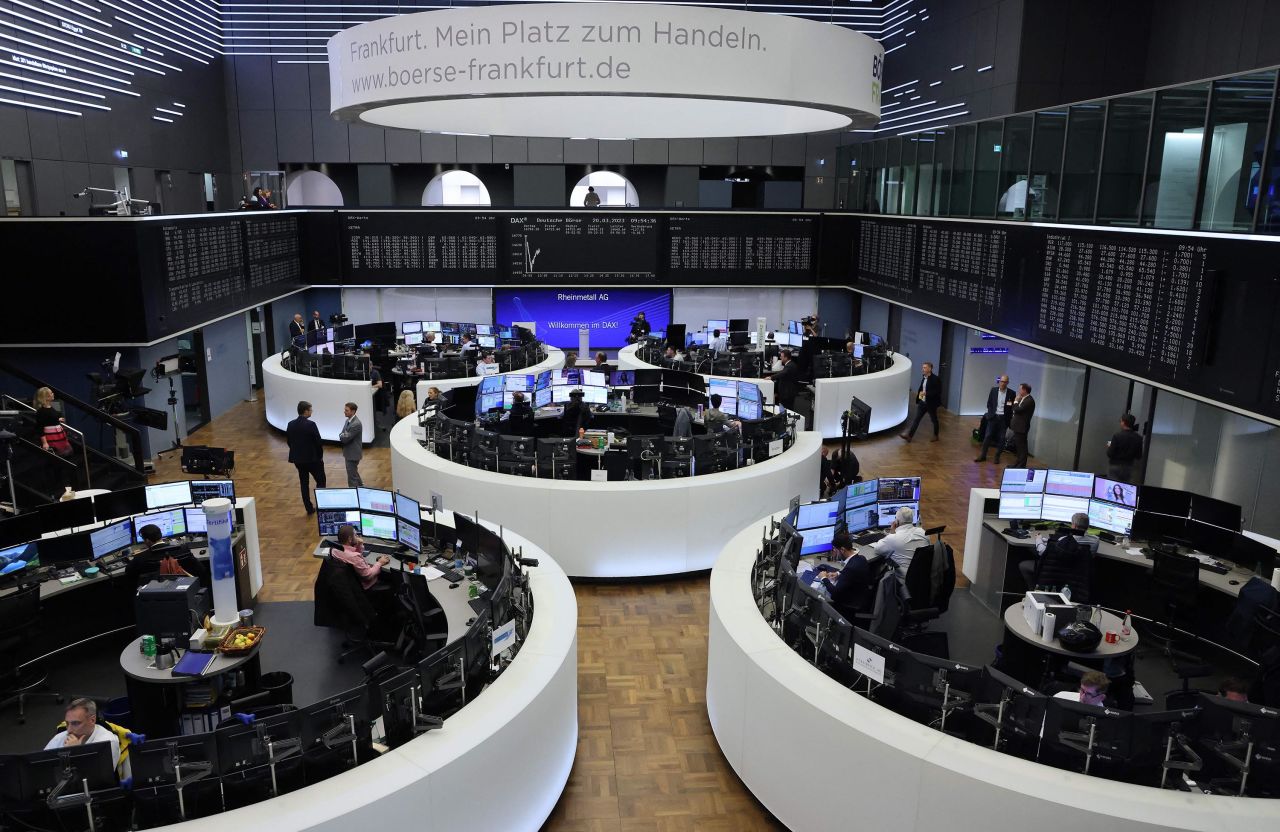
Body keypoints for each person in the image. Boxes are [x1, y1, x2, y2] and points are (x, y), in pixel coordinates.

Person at [1020, 512, 1098, 600]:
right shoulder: (1094, 542)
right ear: (1087, 527)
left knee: (1024, 565)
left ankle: (1034, 593)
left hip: (1054, 576)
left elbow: (1042, 552)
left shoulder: (1062, 540)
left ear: (1074, 526)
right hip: (1077, 581)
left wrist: (1038, 539)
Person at [45, 698, 121, 770]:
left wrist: (76, 753)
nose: (69, 730)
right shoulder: (59, 738)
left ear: (92, 720)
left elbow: (96, 779)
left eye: (75, 723)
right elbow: (42, 767)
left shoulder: (108, 742)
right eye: (67, 723)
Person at [816, 531, 876, 618]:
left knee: (818, 593)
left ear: (842, 550)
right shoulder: (861, 558)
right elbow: (853, 575)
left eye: (835, 550)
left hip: (849, 604)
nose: (834, 553)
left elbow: (835, 593)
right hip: (861, 595)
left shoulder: (850, 569)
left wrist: (824, 578)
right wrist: (838, 573)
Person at [128, 523, 202, 586]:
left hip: (155, 592)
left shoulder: (140, 557)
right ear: (161, 534)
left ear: (147, 540)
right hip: (185, 586)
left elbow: (128, 571)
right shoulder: (183, 549)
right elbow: (201, 569)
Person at [287, 400, 326, 514]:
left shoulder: (290, 424)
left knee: (304, 483)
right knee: (321, 481)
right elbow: (318, 442)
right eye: (310, 410)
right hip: (313, 459)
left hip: (298, 460)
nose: (311, 411)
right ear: (305, 411)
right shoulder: (311, 424)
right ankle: (322, 506)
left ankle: (309, 508)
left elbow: (289, 442)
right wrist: (320, 456)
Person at [331, 524, 390, 591]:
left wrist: (359, 544)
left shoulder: (334, 551)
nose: (358, 537)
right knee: (390, 576)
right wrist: (380, 562)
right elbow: (368, 576)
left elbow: (353, 554)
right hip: (367, 585)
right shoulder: (354, 557)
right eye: (356, 535)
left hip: (348, 584)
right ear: (350, 539)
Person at [871, 506, 929, 570]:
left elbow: (877, 549)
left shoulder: (893, 538)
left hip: (903, 578)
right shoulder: (923, 532)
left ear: (897, 521)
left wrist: (891, 533)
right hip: (924, 576)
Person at [975, 375, 1015, 462]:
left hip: (1003, 419)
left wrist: (1009, 418)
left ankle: (997, 457)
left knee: (1002, 438)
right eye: (1001, 381)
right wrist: (990, 414)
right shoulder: (993, 390)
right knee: (988, 436)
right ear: (999, 381)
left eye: (1005, 382)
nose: (1003, 383)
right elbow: (989, 403)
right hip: (993, 417)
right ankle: (983, 455)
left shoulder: (1011, 393)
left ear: (1007, 383)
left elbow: (1011, 406)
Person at [901, 361, 942, 443]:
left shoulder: (936, 379)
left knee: (934, 420)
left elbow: (938, 391)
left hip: (931, 404)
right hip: (922, 403)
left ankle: (936, 435)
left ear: (930, 369)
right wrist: (920, 398)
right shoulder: (924, 377)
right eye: (923, 367)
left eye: (925, 367)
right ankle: (909, 436)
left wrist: (926, 393)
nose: (922, 369)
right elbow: (922, 389)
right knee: (916, 419)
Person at [34, 387, 72, 458]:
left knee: (65, 454)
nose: (53, 394)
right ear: (46, 397)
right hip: (52, 437)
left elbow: (50, 419)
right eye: (51, 393)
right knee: (57, 457)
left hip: (59, 435)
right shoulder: (41, 411)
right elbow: (40, 428)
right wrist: (45, 443)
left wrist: (58, 419)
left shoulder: (51, 407)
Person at [1106, 414, 1143, 482]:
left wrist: (1110, 446)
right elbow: (1139, 456)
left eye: (1121, 421)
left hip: (1115, 466)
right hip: (1129, 467)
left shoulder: (1117, 436)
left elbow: (1110, 454)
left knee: (1112, 486)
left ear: (1123, 422)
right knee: (1126, 488)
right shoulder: (1139, 438)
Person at [1005, 383, 1036, 467]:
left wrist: (1015, 401)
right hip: (1018, 427)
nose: (1019, 391)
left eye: (1020, 389)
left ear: (1024, 390)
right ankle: (1017, 464)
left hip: (1021, 428)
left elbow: (1017, 409)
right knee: (1018, 447)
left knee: (1022, 448)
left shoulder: (1029, 400)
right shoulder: (1024, 399)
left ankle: (1021, 466)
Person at [338, 402, 363, 488]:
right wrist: (343, 435)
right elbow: (342, 434)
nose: (344, 412)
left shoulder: (356, 424)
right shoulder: (347, 421)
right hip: (349, 453)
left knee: (352, 477)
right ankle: (362, 488)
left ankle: (354, 493)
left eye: (346, 410)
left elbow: (345, 438)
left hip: (353, 454)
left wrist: (343, 435)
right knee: (354, 473)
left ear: (353, 411)